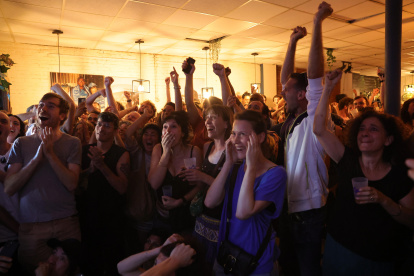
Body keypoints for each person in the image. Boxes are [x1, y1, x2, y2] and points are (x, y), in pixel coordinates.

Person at [313, 70, 414, 275]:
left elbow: (411, 219)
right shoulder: (347, 159)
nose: (365, 132)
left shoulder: (399, 174)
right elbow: (319, 129)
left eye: (374, 129)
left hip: (378, 258)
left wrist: (383, 200)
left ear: (389, 139)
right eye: (362, 128)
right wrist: (328, 89)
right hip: (338, 248)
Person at [277, 3, 333, 276]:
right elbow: (286, 79)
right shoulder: (290, 119)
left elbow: (314, 77)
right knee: (288, 266)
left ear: (302, 95)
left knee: (308, 269)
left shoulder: (315, 117)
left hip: (310, 211)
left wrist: (317, 21)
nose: (282, 93)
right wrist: (291, 42)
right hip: (289, 206)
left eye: (288, 90)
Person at [5, 92, 82, 273]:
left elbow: (71, 183)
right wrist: (37, 158)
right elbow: (9, 187)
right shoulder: (21, 144)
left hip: (66, 224)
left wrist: (50, 154)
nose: (43, 108)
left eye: (50, 105)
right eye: (41, 105)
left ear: (62, 115)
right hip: (32, 227)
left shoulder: (72, 143)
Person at [205, 110, 286, 275]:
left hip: (255, 260)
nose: (236, 140)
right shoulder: (235, 167)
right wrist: (228, 163)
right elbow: (210, 202)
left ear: (260, 137)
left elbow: (243, 212)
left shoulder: (276, 174)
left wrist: (251, 165)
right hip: (227, 252)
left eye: (243, 134)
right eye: (234, 134)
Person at [179, 104, 233, 272]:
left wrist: (203, 177)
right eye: (206, 117)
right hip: (202, 220)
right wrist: (194, 177)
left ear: (226, 123)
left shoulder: (232, 151)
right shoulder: (207, 147)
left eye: (213, 117)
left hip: (221, 219)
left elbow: (230, 188)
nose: (207, 121)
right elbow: (204, 184)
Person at [80, 111, 130, 275]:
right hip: (87, 212)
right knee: (89, 259)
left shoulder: (121, 154)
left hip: (112, 214)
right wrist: (89, 170)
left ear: (115, 131)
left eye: (107, 126)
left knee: (112, 260)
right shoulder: (85, 150)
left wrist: (102, 166)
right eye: (99, 124)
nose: (102, 128)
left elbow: (122, 187)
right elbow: (75, 182)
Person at [148, 111, 203, 234]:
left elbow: (200, 186)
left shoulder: (194, 151)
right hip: (163, 216)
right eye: (165, 127)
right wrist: (166, 153)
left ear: (183, 133)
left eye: (173, 127)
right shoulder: (158, 149)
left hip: (186, 214)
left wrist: (181, 201)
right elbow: (154, 184)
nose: (168, 131)